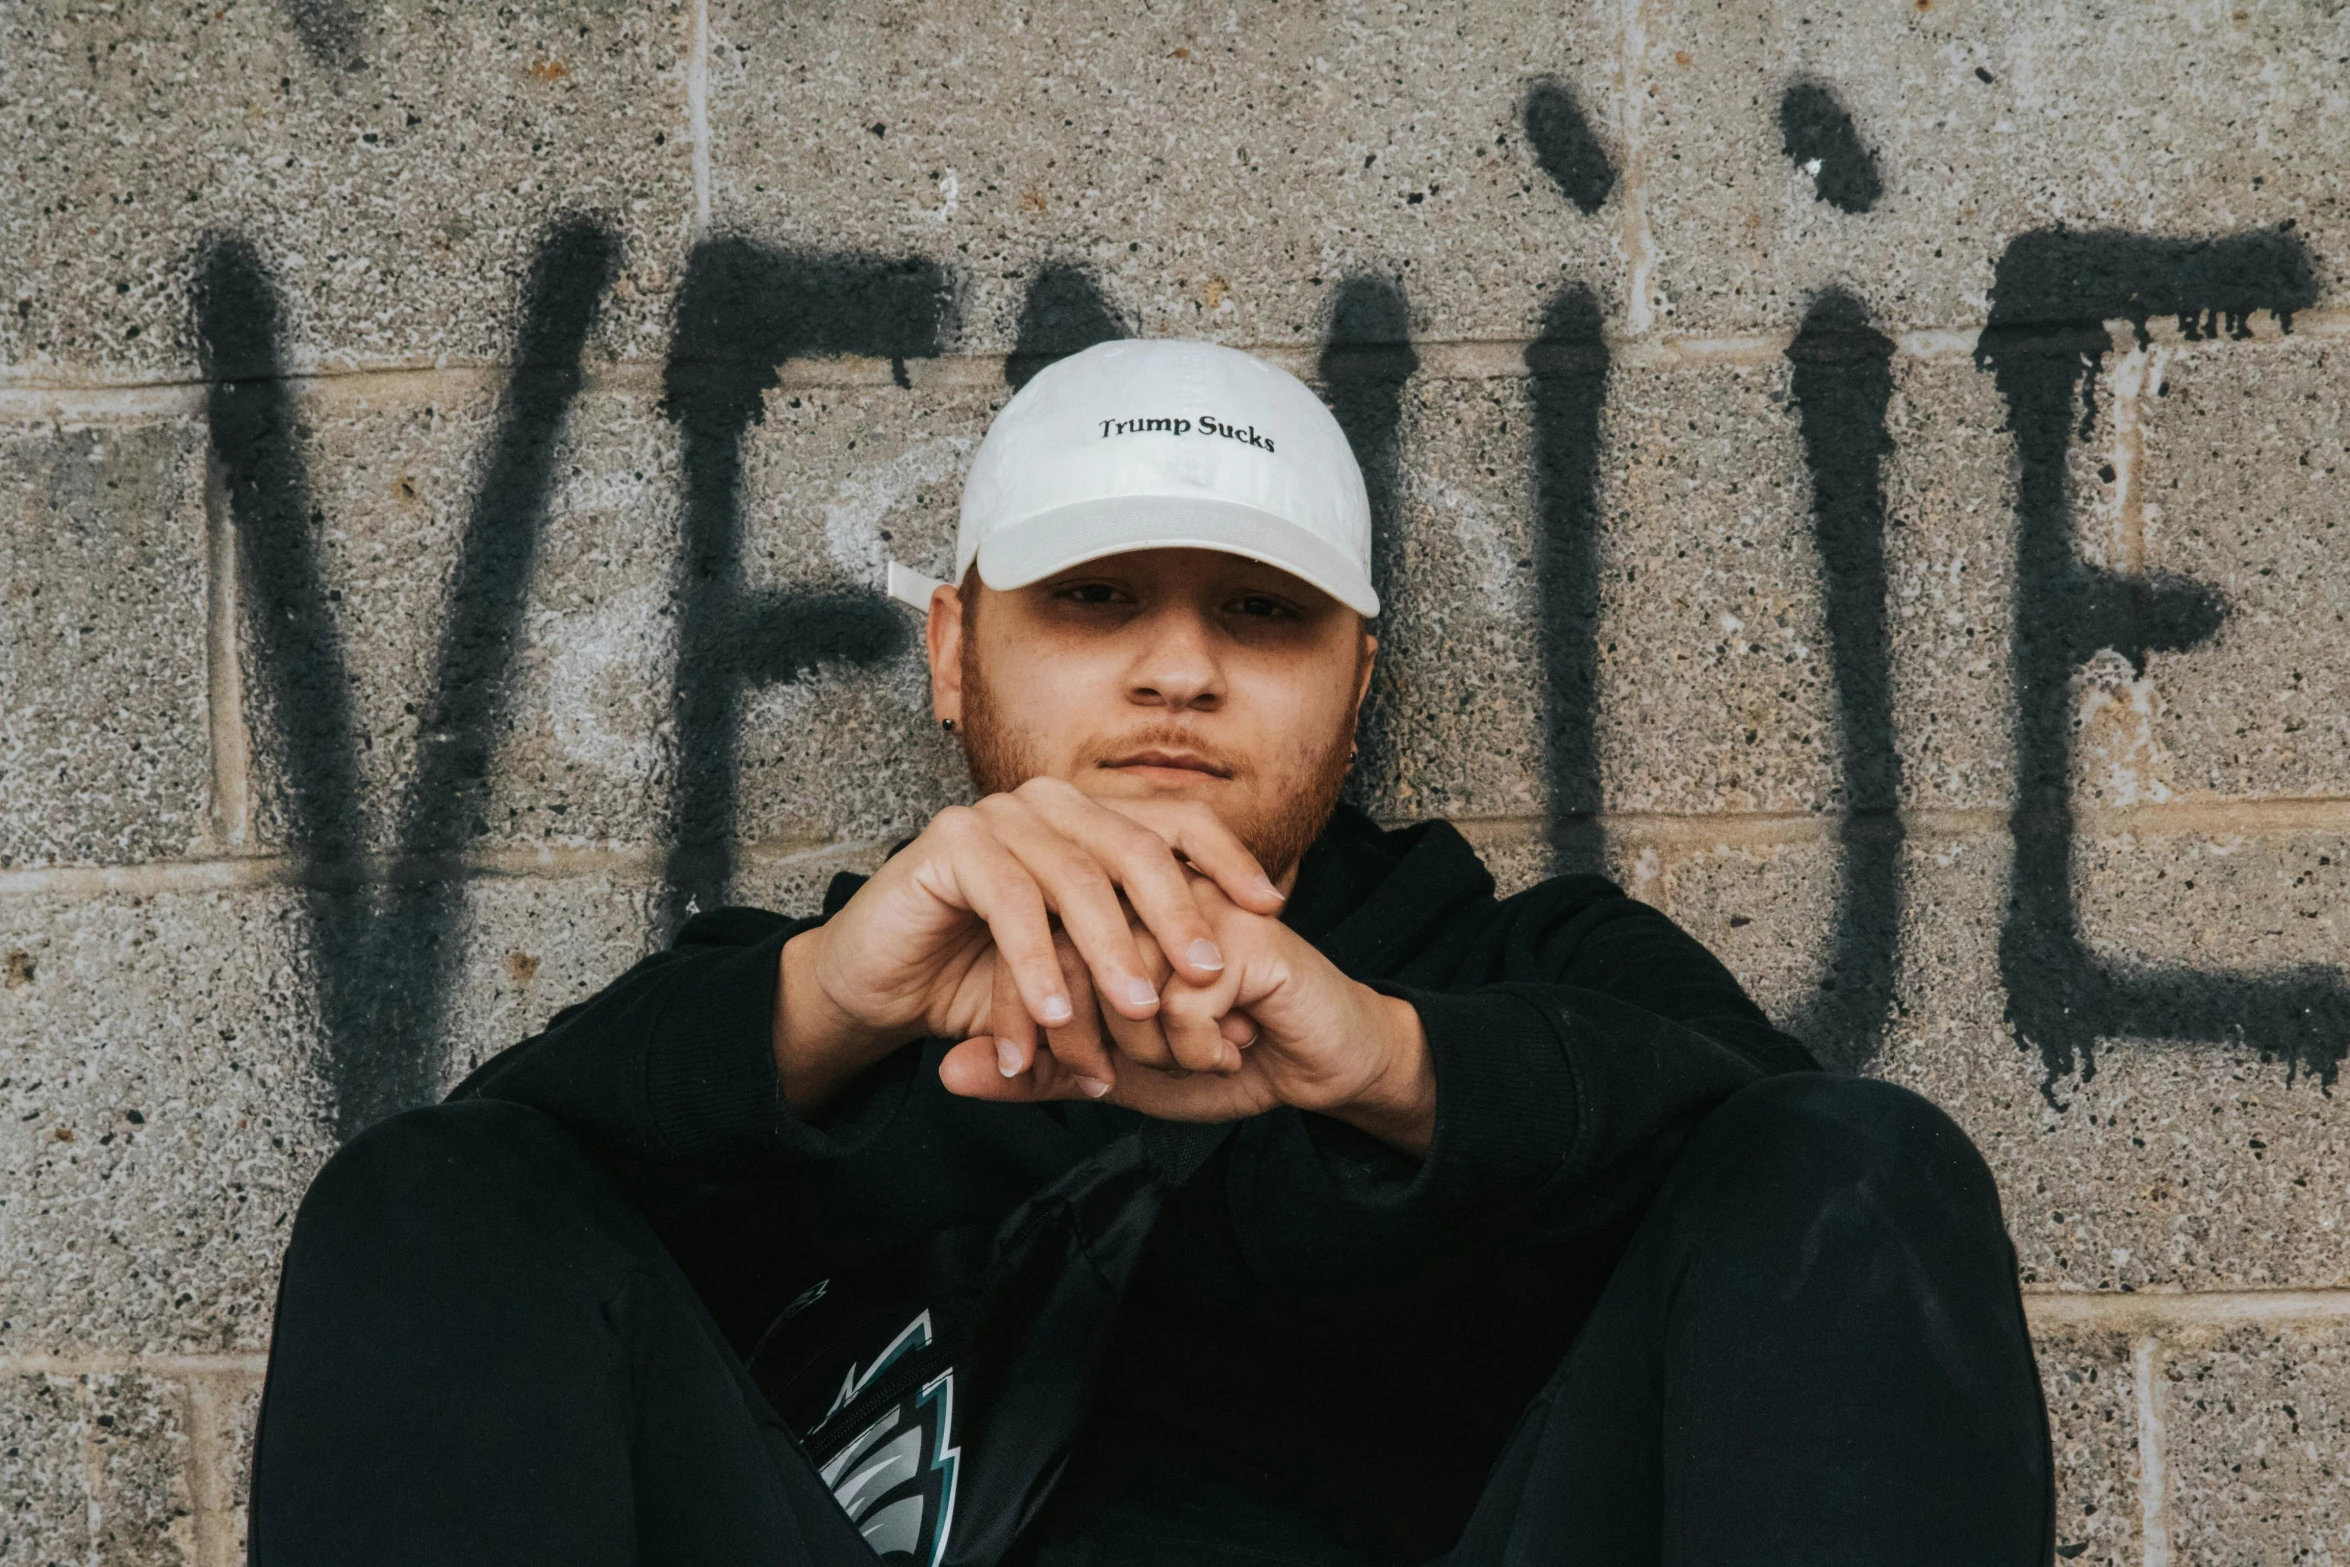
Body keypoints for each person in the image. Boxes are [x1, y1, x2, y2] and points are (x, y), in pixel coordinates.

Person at [249, 339, 2054, 1566]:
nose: (1175, 669)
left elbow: (1805, 1199)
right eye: (1095, 599)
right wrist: (833, 1007)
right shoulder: (794, 1003)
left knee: (1859, 1160)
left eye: (1257, 615)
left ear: (1355, 676)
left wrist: (1386, 1063)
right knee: (422, 1195)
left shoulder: (1518, 962)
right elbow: (462, 1251)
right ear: (955, 650)